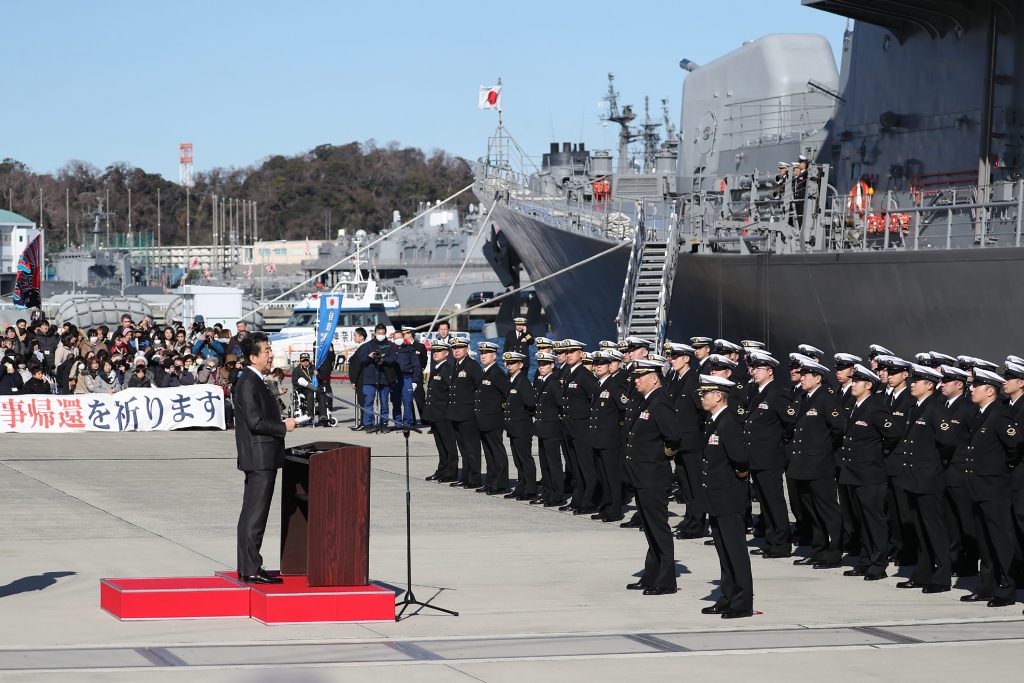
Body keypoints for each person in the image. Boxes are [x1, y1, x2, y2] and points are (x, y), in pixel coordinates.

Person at [233, 332, 297, 584]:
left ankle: (247, 565)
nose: (270, 354)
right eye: (266, 351)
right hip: (260, 457)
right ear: (252, 356)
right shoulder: (249, 382)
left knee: (251, 513)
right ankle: (250, 568)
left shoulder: (257, 379)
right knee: (255, 514)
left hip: (262, 455)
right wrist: (284, 427)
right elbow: (255, 421)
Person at [960, 367, 1021, 607]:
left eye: (976, 386)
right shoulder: (980, 414)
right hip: (978, 487)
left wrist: (1002, 468)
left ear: (990, 390)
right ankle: (986, 586)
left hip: (995, 487)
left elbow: (1015, 445)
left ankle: (1006, 589)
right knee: (984, 540)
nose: (971, 389)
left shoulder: (999, 414)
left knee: (1001, 540)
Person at [894, 364, 956, 594]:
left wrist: (933, 464)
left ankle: (941, 577)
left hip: (929, 479)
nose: (912, 385)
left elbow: (948, 441)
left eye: (917, 381)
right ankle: (923, 573)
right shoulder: (916, 407)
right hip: (914, 478)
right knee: (920, 529)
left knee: (935, 529)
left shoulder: (935, 408)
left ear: (929, 385)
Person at [622, 356, 681, 596]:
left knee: (658, 528)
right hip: (642, 475)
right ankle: (651, 574)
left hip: (653, 476)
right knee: (648, 527)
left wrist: (660, 456)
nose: (636, 380)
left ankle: (666, 580)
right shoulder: (646, 401)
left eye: (640, 376)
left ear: (654, 378)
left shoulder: (660, 402)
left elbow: (674, 437)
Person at [697, 374, 754, 618]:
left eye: (705, 393)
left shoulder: (728, 422)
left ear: (718, 396)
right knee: (724, 551)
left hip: (729, 496)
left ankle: (742, 603)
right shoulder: (714, 421)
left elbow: (740, 458)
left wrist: (734, 481)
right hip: (717, 497)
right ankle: (727, 596)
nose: (701, 397)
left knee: (736, 552)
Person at [837, 364, 896, 580]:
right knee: (860, 519)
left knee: (874, 520)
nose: (853, 384)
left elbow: (893, 433)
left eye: (857, 381)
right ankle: (865, 559)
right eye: (852, 381)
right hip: (853, 473)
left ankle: (878, 564)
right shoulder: (855, 405)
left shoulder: (875, 407)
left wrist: (877, 454)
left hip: (870, 474)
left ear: (868, 384)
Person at [788, 358, 845, 569]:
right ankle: (818, 548)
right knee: (811, 510)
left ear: (818, 378)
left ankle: (834, 551)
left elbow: (838, 428)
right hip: (802, 465)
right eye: (801, 375)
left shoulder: (826, 398)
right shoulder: (804, 398)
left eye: (806, 375)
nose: (801, 378)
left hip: (819, 465)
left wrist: (822, 449)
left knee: (828, 510)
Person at [743, 350, 797, 558]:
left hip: (770, 457)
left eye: (758, 369)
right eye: (754, 368)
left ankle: (782, 543)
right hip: (756, 457)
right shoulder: (758, 392)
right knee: (764, 503)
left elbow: (790, 421)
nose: (754, 372)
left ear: (770, 371)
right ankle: (771, 539)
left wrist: (777, 441)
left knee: (774, 501)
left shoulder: (777, 393)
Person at [446, 338, 483, 488]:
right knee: (463, 448)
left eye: (460, 347)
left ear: (467, 349)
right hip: (456, 413)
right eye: (454, 347)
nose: (456, 350)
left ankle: (475, 479)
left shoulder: (471, 365)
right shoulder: (456, 365)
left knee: (471, 448)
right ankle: (465, 477)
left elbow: (480, 387)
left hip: (468, 414)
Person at [474, 342, 511, 494]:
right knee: (489, 453)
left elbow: (507, 394)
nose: (483, 356)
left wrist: (500, 409)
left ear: (494, 356)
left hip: (493, 419)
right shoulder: (485, 372)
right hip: (483, 420)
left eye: (486, 353)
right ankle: (491, 481)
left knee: (497, 452)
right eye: (481, 353)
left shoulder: (497, 373)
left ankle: (501, 484)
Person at [532, 351, 566, 506]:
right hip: (542, 429)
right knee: (544, 464)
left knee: (554, 464)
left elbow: (562, 404)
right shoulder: (541, 381)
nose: (541, 367)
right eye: (539, 364)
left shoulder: (553, 382)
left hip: (551, 428)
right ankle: (546, 493)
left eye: (544, 364)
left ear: (552, 366)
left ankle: (557, 495)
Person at [502, 351, 537, 500]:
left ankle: (531, 489)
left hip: (522, 427)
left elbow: (530, 403)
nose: (509, 365)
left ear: (520, 365)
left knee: (525, 459)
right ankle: (521, 487)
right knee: (517, 460)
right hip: (513, 427)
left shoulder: (523, 381)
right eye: (508, 363)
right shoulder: (511, 380)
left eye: (512, 363)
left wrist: (521, 415)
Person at [352, 324, 398, 433]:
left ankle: (384, 423)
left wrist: (384, 360)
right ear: (375, 333)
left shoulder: (391, 345)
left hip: (384, 377)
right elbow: (361, 358)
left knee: (384, 402)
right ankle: (368, 424)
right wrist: (369, 356)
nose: (380, 335)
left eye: (382, 333)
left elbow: (394, 358)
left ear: (385, 333)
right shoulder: (367, 345)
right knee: (368, 401)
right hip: (370, 378)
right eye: (378, 333)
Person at [424, 342, 458, 483]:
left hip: (443, 413)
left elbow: (452, 392)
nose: (436, 353)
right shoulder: (437, 368)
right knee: (440, 444)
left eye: (439, 350)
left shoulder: (447, 369)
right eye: (434, 351)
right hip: (435, 414)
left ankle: (451, 472)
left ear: (446, 353)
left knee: (448, 444)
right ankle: (442, 469)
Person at [391, 329, 420, 428]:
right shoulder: (390, 350)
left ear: (403, 338)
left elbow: (416, 365)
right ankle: (397, 422)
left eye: (400, 337)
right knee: (396, 401)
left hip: (407, 377)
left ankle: (408, 422)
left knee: (407, 401)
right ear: (393, 339)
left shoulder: (410, 349)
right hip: (394, 379)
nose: (398, 339)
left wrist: (415, 381)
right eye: (396, 338)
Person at [348, 327, 368, 429]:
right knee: (362, 402)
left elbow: (357, 365)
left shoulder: (363, 348)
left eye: (355, 335)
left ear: (361, 337)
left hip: (361, 380)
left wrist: (354, 381)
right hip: (360, 379)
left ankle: (365, 423)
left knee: (363, 402)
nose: (354, 337)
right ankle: (364, 422)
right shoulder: (361, 348)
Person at [291, 353, 316, 418]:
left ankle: (323, 415)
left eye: (307, 360)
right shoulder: (297, 370)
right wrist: (305, 384)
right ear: (300, 361)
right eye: (303, 360)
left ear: (309, 360)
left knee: (322, 394)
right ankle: (310, 415)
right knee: (310, 393)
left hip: (315, 387)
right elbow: (294, 382)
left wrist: (317, 374)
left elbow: (320, 377)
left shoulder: (314, 368)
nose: (305, 362)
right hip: (304, 388)